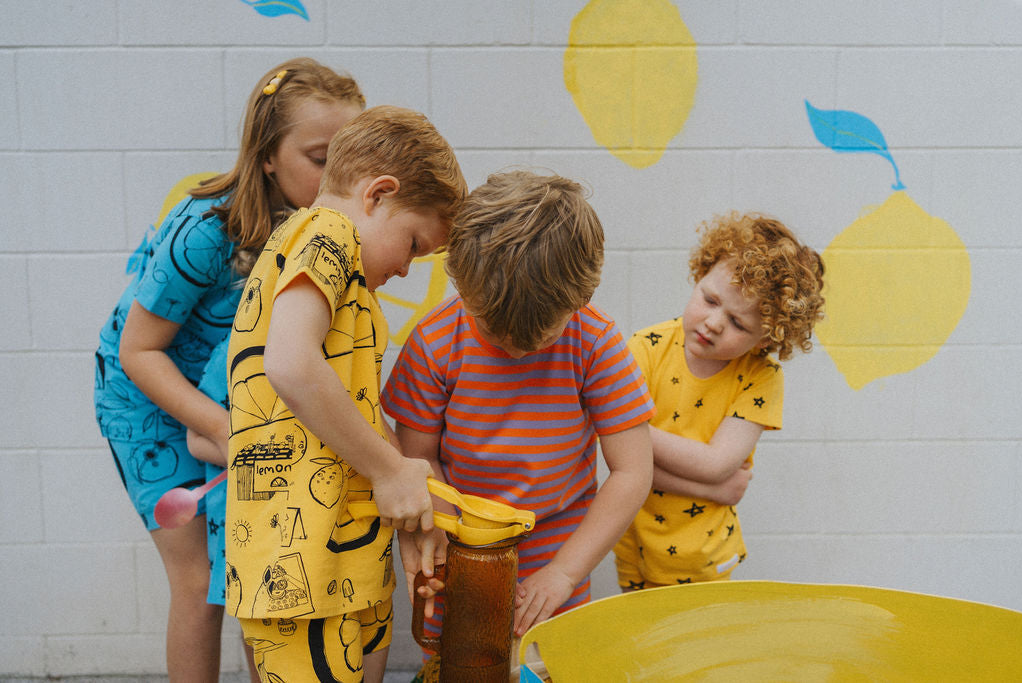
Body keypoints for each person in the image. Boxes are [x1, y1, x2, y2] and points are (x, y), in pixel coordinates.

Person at [93, 57, 366, 682]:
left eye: (351, 158)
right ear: (267, 155)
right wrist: (215, 427)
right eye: (322, 158)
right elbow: (139, 351)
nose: (337, 178)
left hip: (226, 402)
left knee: (250, 576)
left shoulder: (318, 227)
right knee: (198, 583)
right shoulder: (207, 228)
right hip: (148, 399)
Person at [223, 104, 466, 683]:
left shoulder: (346, 271)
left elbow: (353, 405)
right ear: (377, 194)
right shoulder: (325, 233)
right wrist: (390, 470)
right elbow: (290, 363)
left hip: (344, 556)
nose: (409, 269)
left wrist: (413, 491)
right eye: (413, 244)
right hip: (299, 564)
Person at [381, 170, 656, 679]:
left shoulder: (594, 342)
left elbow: (632, 472)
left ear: (579, 298)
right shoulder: (435, 342)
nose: (514, 348)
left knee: (550, 669)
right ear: (460, 282)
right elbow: (417, 456)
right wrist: (435, 531)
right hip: (461, 559)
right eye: (494, 329)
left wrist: (564, 573)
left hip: (558, 556)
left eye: (538, 337)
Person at [613, 212, 825, 591]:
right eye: (710, 300)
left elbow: (715, 464)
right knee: (642, 646)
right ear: (700, 275)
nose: (713, 323)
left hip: (704, 557)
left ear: (764, 339)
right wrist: (709, 490)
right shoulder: (647, 347)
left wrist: (628, 429)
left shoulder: (761, 377)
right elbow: (622, 458)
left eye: (738, 324)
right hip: (634, 543)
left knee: (694, 647)